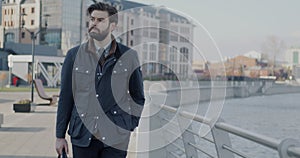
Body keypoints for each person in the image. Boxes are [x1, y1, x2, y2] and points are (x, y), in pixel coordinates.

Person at [55, 2, 145, 158]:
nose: (94, 23)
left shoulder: (129, 56)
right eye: (92, 19)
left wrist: (129, 124)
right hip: (82, 135)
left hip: (116, 138)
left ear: (113, 26)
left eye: (100, 20)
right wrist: (59, 136)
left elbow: (137, 96)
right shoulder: (73, 55)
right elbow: (65, 98)